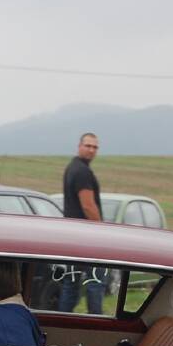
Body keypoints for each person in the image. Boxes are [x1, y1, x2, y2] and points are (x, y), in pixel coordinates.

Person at [58, 132, 106, 314]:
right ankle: (96, 323)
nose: (91, 150)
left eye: (95, 147)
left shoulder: (72, 167)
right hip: (88, 237)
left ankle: (62, 322)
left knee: (71, 284)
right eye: (88, 146)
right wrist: (102, 231)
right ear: (79, 147)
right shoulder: (82, 172)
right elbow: (88, 205)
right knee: (95, 282)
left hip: (71, 236)